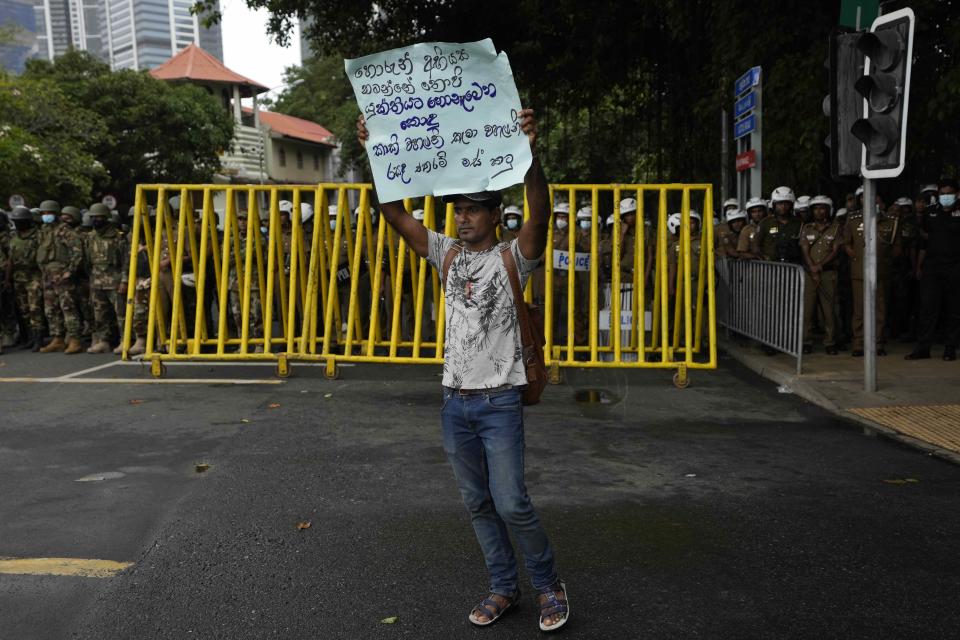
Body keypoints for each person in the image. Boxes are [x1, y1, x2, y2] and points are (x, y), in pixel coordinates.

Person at [357, 107, 569, 632]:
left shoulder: (512, 258)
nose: (463, 216)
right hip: (455, 400)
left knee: (513, 502)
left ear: (496, 215)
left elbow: (540, 214)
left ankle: (548, 586)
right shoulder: (445, 254)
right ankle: (504, 588)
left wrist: (531, 155)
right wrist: (374, 150)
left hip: (499, 400)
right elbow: (395, 214)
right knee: (477, 503)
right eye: (458, 209)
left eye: (475, 209)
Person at [906, 179, 960, 361]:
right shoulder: (930, 214)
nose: (946, 197)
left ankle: (950, 348)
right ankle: (923, 348)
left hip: (955, 268)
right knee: (928, 309)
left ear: (957, 194)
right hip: (932, 268)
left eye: (949, 193)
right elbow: (924, 243)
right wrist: (919, 267)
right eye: (942, 194)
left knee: (953, 310)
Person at [843, 198, 897, 357]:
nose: (873, 202)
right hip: (860, 273)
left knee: (880, 309)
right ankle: (859, 343)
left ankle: (878, 343)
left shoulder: (890, 221)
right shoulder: (853, 220)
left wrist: (885, 260)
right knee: (859, 309)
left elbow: (896, 246)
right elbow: (846, 243)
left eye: (877, 200)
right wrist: (857, 258)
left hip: (881, 273)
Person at [36, 200, 84, 354]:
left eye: (48, 213)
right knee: (51, 308)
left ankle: (75, 339)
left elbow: (77, 252)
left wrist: (70, 271)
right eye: (43, 213)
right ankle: (57, 338)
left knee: (67, 307)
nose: (45, 216)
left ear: (56, 214)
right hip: (48, 274)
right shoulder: (43, 231)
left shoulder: (65, 231)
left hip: (62, 274)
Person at [799, 196, 842, 354]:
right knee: (808, 309)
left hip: (827, 273)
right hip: (810, 274)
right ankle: (806, 341)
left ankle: (830, 341)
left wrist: (820, 266)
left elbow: (835, 250)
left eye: (823, 208)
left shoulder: (836, 228)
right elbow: (804, 248)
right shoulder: (806, 228)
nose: (819, 211)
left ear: (828, 210)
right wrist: (812, 267)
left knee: (828, 309)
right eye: (816, 208)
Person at [83, 204, 128, 353]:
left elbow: (126, 261)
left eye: (99, 217)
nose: (96, 220)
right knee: (99, 314)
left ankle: (124, 340)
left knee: (121, 313)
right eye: (94, 217)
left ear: (106, 218)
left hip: (114, 280)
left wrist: (124, 280)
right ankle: (103, 341)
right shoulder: (90, 237)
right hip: (96, 280)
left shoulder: (118, 237)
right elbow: (87, 261)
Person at [8, 207, 45, 351]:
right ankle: (30, 337)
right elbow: (11, 259)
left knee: (35, 307)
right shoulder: (14, 237)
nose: (18, 224)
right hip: (18, 277)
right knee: (24, 309)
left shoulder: (38, 236)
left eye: (20, 221)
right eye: (16, 222)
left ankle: (38, 338)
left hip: (33, 275)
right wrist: (7, 279)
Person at [752, 187, 802, 263]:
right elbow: (756, 245)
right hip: (770, 267)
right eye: (780, 203)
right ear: (774, 205)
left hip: (793, 267)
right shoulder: (765, 223)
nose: (783, 206)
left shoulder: (799, 223)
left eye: (786, 203)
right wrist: (762, 257)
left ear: (791, 205)